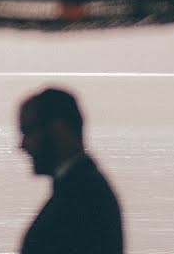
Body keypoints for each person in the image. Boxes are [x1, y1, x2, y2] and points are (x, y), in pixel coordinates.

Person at [18, 87, 125, 254]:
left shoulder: (82, 199)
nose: (22, 145)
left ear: (58, 130)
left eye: (28, 132)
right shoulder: (83, 190)